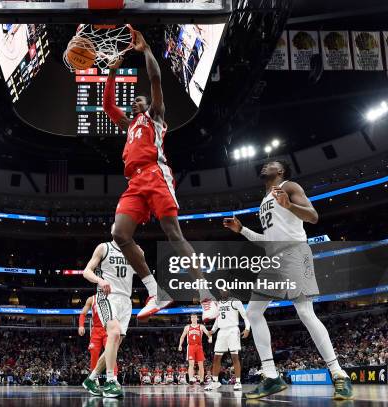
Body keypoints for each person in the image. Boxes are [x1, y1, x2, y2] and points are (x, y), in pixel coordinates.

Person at [102, 29, 214, 319]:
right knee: (120, 234)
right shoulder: (129, 125)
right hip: (134, 182)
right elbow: (108, 106)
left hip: (155, 173)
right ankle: (155, 291)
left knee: (173, 233)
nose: (135, 103)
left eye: (139, 100)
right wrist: (112, 74)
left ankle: (206, 297)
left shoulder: (155, 115)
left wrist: (147, 49)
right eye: (135, 102)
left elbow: (154, 79)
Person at [223, 160, 353, 400]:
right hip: (273, 258)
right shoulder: (264, 202)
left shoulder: (289, 186)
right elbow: (268, 240)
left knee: (305, 312)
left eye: (271, 164)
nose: (265, 166)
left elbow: (313, 216)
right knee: (253, 313)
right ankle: (272, 376)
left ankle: (339, 374)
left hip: (294, 253)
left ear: (280, 171)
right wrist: (241, 230)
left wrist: (289, 204)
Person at [81, 236, 138, 398]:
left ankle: (91, 379)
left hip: (126, 301)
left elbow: (143, 272)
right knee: (113, 333)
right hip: (106, 296)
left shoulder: (134, 251)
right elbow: (86, 271)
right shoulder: (103, 248)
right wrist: (99, 280)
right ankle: (110, 381)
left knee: (114, 345)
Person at [204, 290, 250, 391]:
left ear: (229, 291)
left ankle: (238, 382)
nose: (222, 292)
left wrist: (247, 328)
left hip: (233, 330)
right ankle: (215, 382)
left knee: (234, 356)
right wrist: (213, 330)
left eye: (225, 290)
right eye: (221, 290)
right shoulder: (218, 303)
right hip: (221, 332)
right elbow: (217, 319)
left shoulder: (236, 301)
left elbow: (245, 315)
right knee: (216, 358)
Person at [178, 314, 211, 384]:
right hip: (191, 346)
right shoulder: (187, 327)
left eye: (194, 317)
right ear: (190, 319)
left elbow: (208, 333)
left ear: (197, 318)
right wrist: (180, 345)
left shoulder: (201, 326)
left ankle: (201, 380)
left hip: (199, 346)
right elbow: (182, 336)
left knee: (201, 364)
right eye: (192, 317)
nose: (193, 318)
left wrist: (210, 338)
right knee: (191, 364)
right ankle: (190, 379)